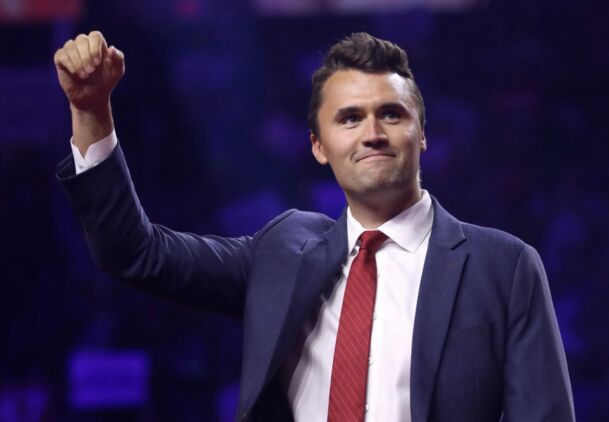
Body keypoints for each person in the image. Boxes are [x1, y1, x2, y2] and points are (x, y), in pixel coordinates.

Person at [54, 30, 575, 421]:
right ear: (319, 147)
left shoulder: (503, 267)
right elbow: (133, 252)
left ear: (422, 134)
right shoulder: (281, 253)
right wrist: (91, 111)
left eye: (391, 114)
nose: (372, 133)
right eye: (349, 118)